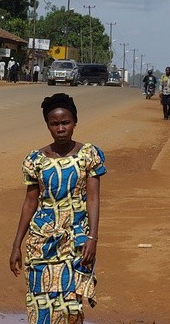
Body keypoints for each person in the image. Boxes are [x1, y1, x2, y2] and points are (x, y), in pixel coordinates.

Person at [9, 93, 106, 324]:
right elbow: (30, 202)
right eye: (54, 124)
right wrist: (16, 244)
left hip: (76, 241)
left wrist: (92, 237)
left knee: (71, 306)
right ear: (48, 126)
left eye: (65, 122)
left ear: (75, 122)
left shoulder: (88, 155)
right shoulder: (35, 160)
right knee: (40, 302)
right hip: (41, 242)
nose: (61, 128)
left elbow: (93, 199)